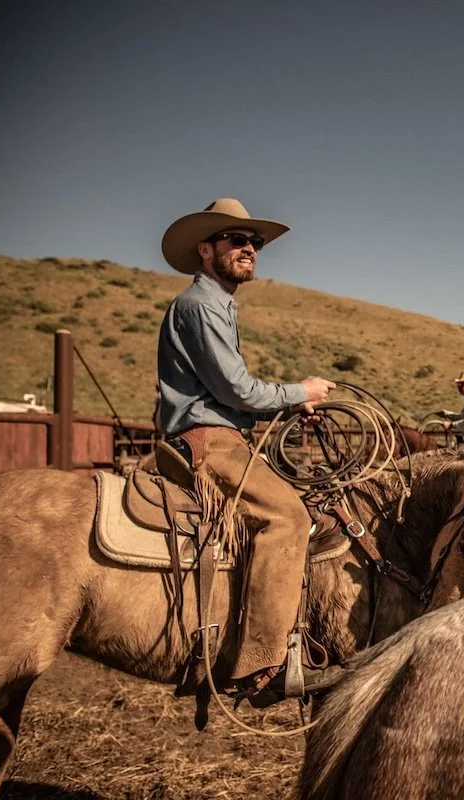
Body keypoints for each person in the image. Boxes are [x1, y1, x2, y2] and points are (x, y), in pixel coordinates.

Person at [158, 198, 335, 697]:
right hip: (210, 440)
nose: (250, 248)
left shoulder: (215, 304)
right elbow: (237, 392)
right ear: (205, 248)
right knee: (290, 517)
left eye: (254, 242)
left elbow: (233, 393)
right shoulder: (200, 306)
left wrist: (286, 403)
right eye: (237, 239)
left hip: (225, 433)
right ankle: (262, 663)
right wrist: (300, 392)